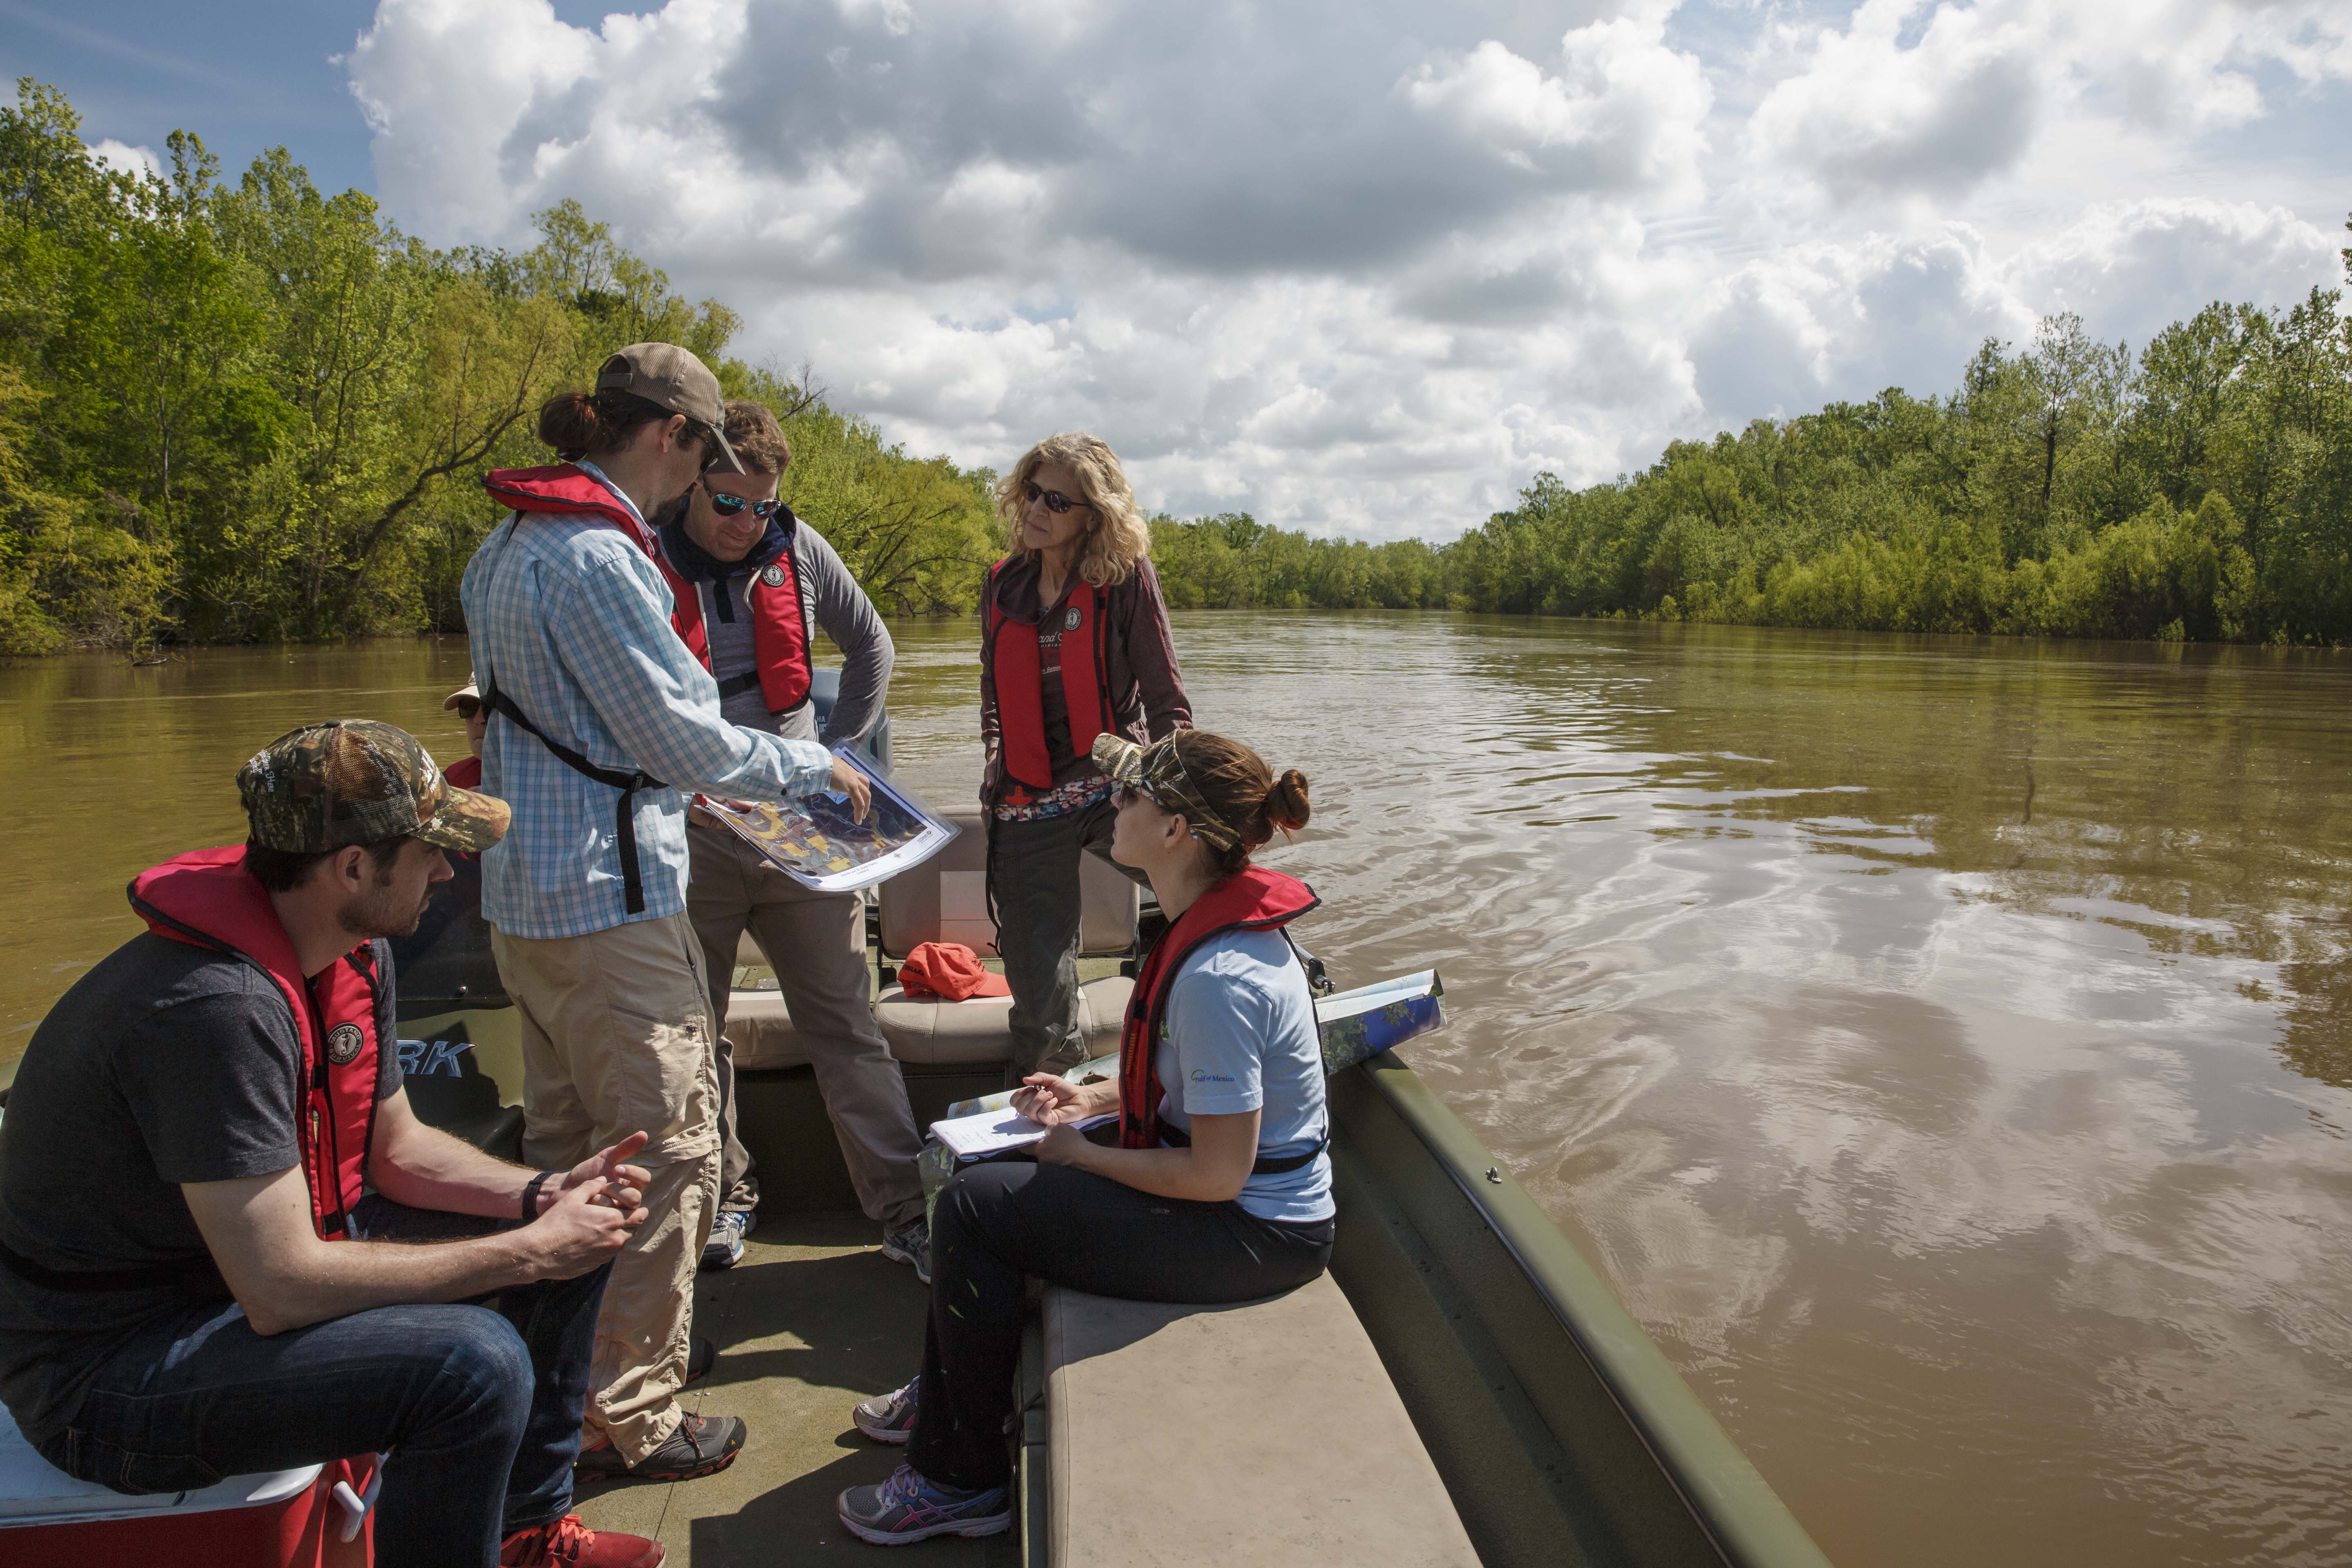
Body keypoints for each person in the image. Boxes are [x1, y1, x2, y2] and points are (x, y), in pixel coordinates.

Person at [0, 720, 668, 1568]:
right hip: (108, 1376)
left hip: (226, 1291)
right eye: (429, 850)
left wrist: (543, 1200)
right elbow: (280, 1286)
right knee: (472, 1366)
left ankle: (526, 1532)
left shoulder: (352, 950)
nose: (447, 868)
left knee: (581, 1239)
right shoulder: (215, 1010)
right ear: (352, 868)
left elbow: (397, 1151)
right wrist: (526, 1252)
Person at [461, 343, 872, 1486]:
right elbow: (678, 742)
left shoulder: (504, 548)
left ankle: (559, 1391)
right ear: (674, 440)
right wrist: (810, 774)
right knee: (667, 1155)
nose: (704, 493)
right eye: (706, 463)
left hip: (529, 910)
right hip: (609, 906)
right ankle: (630, 1418)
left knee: (567, 1157)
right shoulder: (600, 557)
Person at [835, 728, 1334, 1546]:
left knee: (973, 1210)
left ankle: (960, 1481)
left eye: (1132, 795)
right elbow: (1183, 1085)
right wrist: (1094, 1097)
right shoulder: (1199, 929)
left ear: (1175, 831)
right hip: (1239, 1209)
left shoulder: (1218, 976)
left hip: (1259, 1233)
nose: (1116, 803)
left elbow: (1217, 1175)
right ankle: (949, 1391)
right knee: (982, 1180)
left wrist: (1082, 1153)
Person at [655, 400, 929, 1276]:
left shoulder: (800, 548)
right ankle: (725, 1202)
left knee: (847, 1024)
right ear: (692, 483)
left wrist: (838, 752)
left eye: (762, 507)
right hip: (693, 828)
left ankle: (904, 1211)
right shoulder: (642, 552)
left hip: (801, 828)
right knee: (695, 1030)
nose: (745, 525)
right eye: (728, 504)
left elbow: (872, 646)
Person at [979, 433, 1191, 1080]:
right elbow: (992, 694)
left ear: (1093, 515)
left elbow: (1167, 701)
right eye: (1031, 493)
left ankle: (1264, 994)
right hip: (1025, 800)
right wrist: (994, 752)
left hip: (1112, 786)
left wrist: (1174, 801)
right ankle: (1055, 1108)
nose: (1036, 509)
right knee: (1039, 996)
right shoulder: (1001, 584)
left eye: (1057, 501)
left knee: (1203, 895)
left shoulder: (1124, 579)